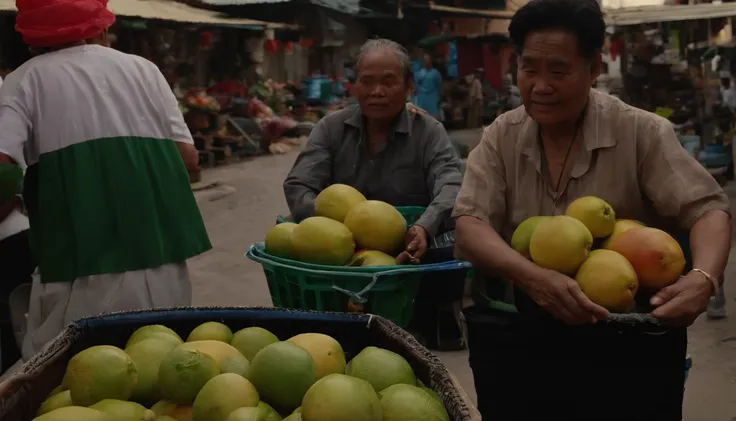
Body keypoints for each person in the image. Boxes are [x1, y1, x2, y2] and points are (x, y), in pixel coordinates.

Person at [451, 0, 731, 419]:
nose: (541, 86)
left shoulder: (641, 132)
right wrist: (531, 276)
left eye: (559, 72)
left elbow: (707, 209)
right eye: (529, 69)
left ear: (594, 68)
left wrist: (704, 279)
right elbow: (470, 224)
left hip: (625, 343)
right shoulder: (501, 136)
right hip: (522, 341)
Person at [0, 0, 211, 361]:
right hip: (162, 257)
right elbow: (188, 158)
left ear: (32, 34)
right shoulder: (145, 69)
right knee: (164, 368)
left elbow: (3, 169)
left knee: (73, 375)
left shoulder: (24, 80)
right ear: (101, 27)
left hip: (81, 264)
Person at [283, 39, 466, 350]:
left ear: (408, 85)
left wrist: (424, 225)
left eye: (388, 81)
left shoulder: (428, 131)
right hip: (341, 248)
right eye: (367, 81)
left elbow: (451, 183)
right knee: (287, 239)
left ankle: (435, 317)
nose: (376, 91)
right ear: (355, 86)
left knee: (454, 244)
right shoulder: (331, 128)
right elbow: (299, 184)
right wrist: (329, 228)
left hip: (407, 245)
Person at [413, 53, 443, 120]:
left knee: (434, 117)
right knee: (422, 116)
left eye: (428, 60)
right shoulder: (419, 73)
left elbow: (439, 85)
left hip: (433, 97)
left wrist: (440, 97)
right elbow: (416, 87)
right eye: (425, 60)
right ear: (423, 61)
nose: (427, 61)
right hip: (422, 97)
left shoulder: (435, 73)